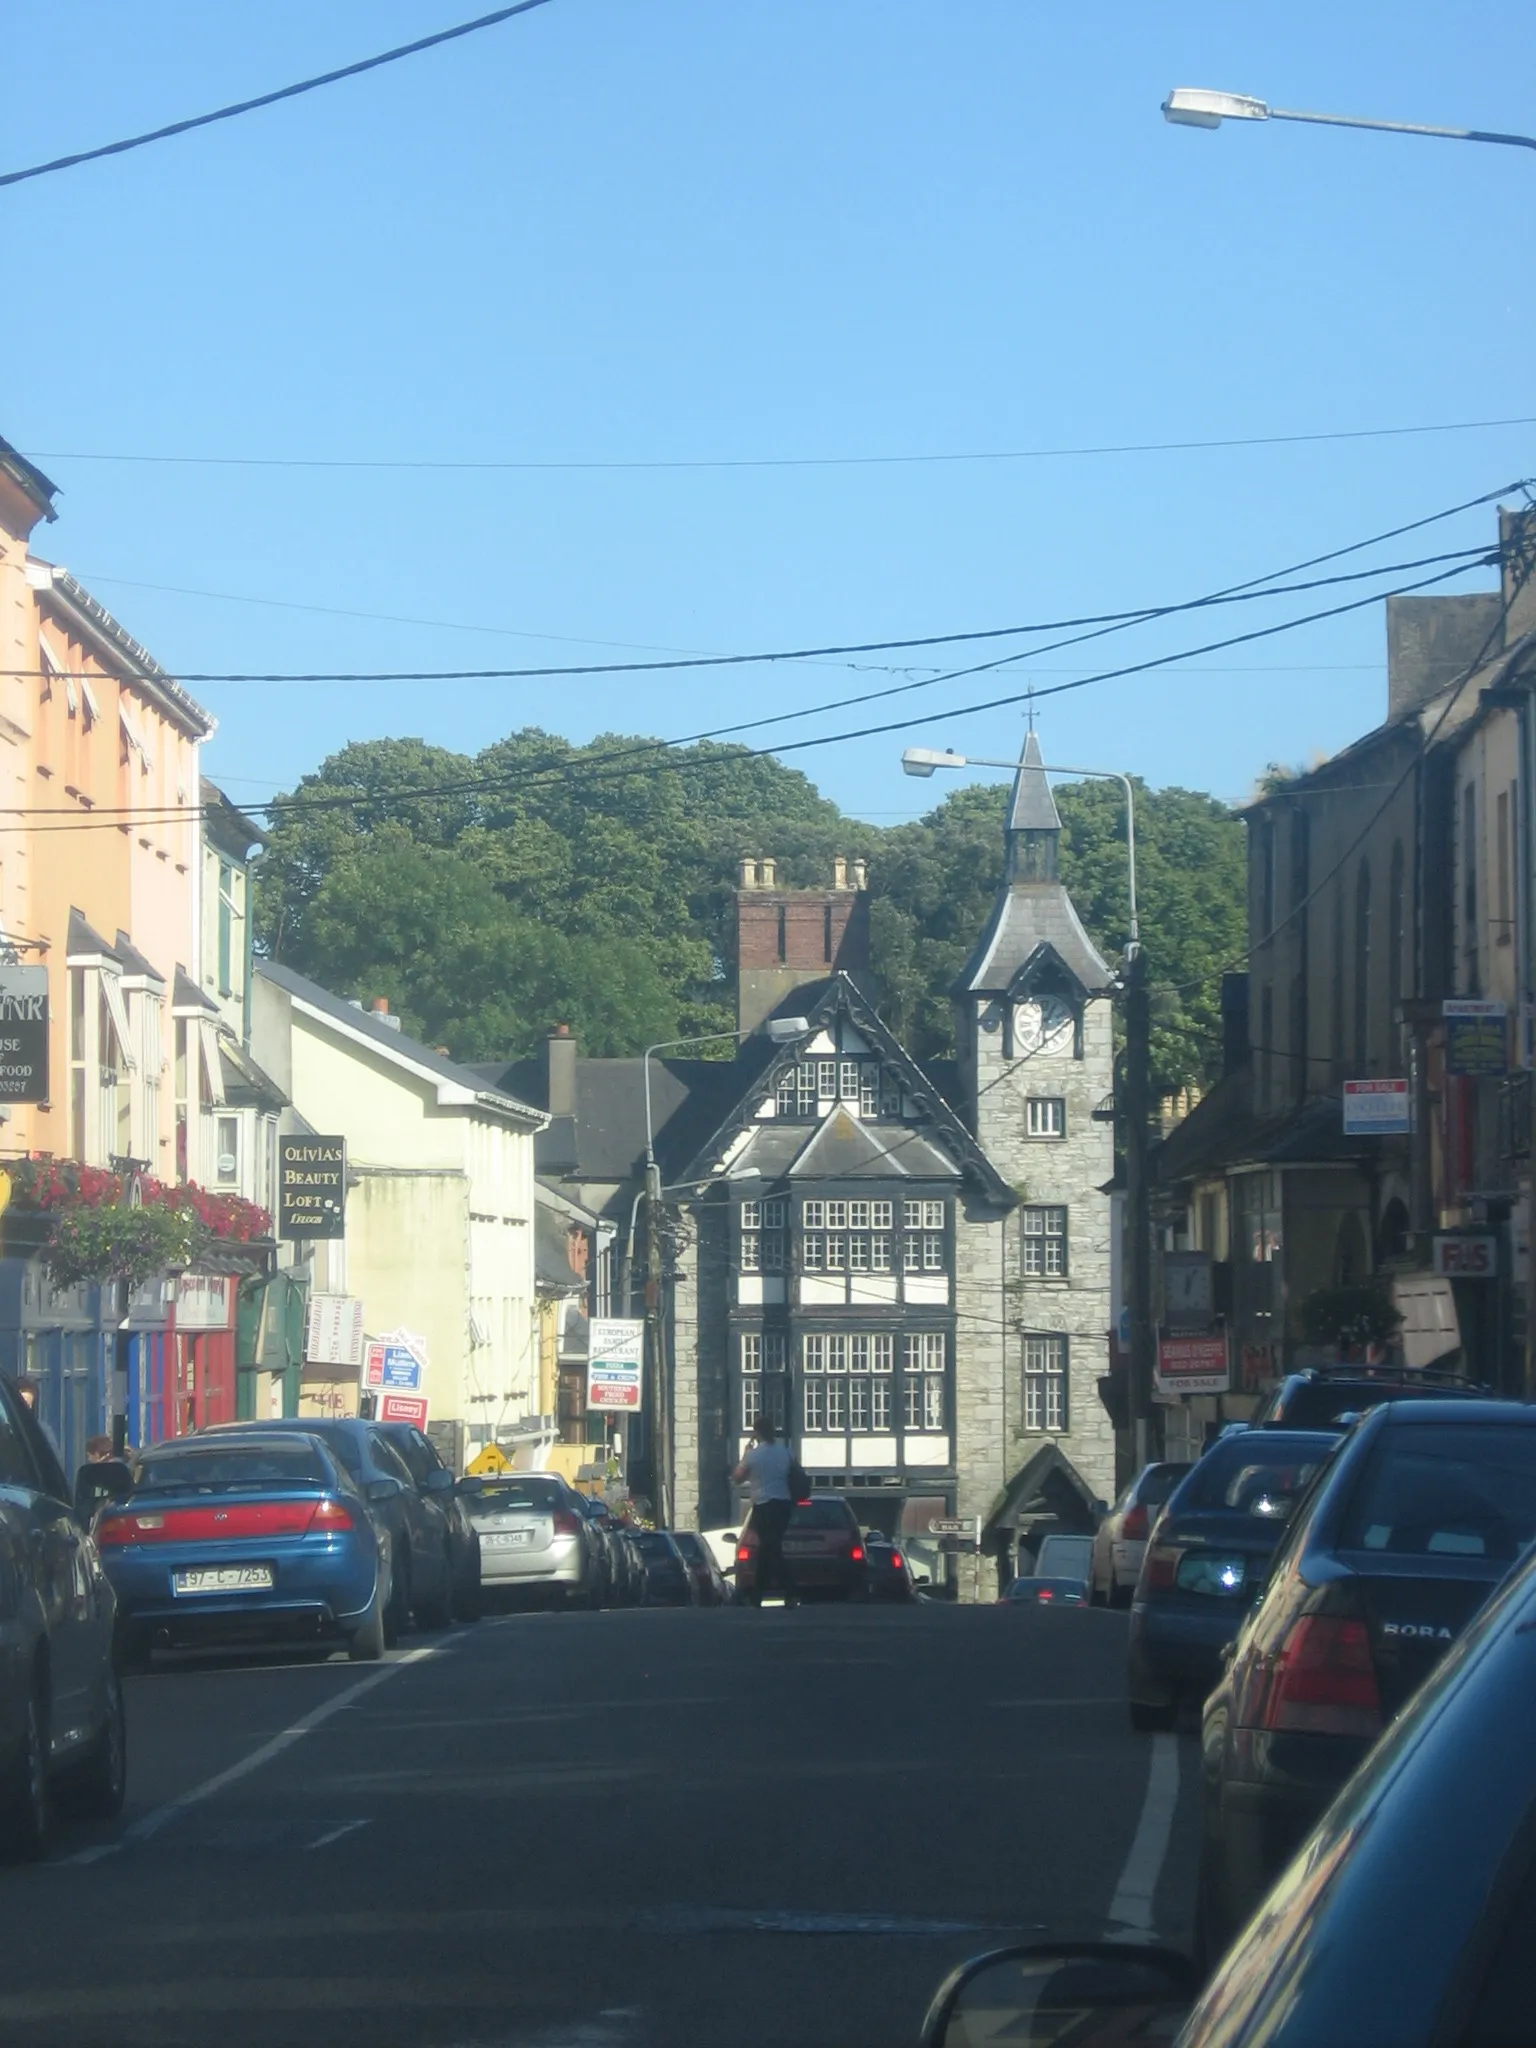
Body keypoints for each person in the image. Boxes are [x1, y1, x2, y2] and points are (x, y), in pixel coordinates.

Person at [732, 1414, 797, 1606]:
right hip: (784, 1504)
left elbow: (738, 1478)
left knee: (769, 1547)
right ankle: (768, 1593)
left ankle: (770, 1592)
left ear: (757, 1432)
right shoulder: (786, 1452)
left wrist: (745, 1454)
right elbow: (795, 1471)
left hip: (763, 1505)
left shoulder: (753, 1455)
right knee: (771, 1546)